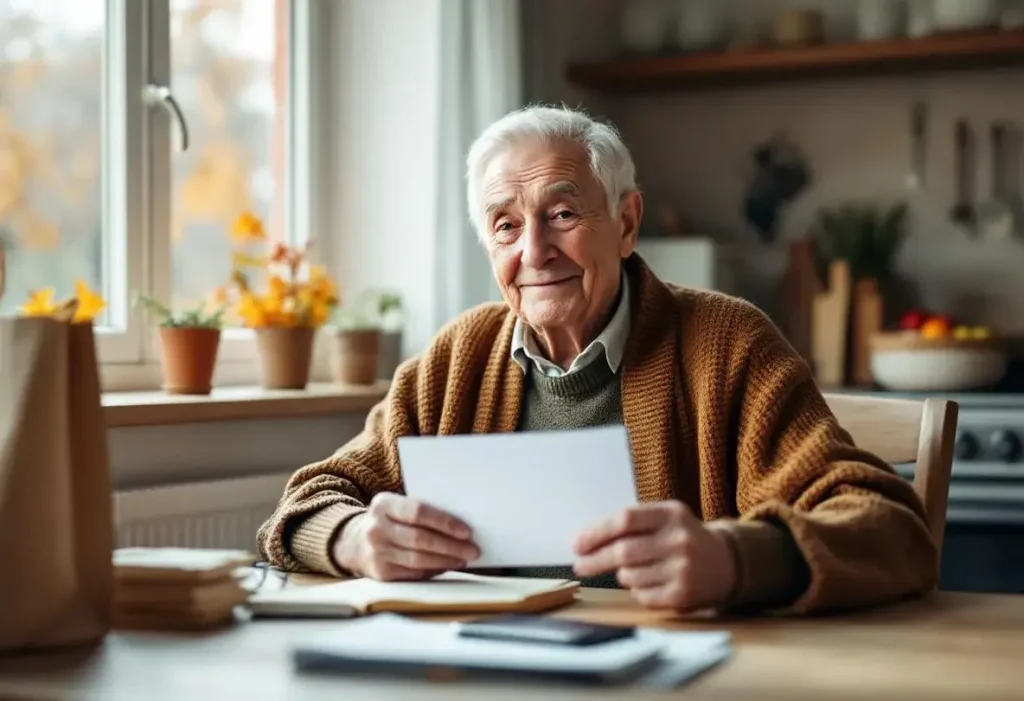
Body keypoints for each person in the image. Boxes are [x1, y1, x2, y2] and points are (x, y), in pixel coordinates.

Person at [257, 105, 937, 615]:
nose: (534, 251)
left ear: (628, 222)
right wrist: (352, 537)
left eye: (561, 213)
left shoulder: (729, 343)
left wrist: (733, 558)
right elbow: (305, 503)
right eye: (505, 225)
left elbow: (891, 526)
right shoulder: (456, 358)